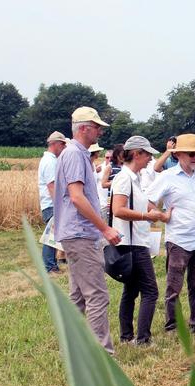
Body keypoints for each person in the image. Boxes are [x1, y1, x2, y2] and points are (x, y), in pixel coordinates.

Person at [54, 106, 119, 354]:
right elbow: (77, 198)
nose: (100, 131)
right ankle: (102, 357)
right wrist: (105, 229)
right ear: (83, 128)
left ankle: (70, 351)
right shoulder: (73, 154)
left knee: (79, 297)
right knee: (97, 296)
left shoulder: (77, 153)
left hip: (78, 233)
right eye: (97, 127)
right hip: (80, 233)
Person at [146, 134, 195, 334]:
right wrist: (161, 216)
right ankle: (173, 326)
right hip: (178, 240)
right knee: (173, 287)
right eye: (191, 154)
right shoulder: (167, 177)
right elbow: (150, 201)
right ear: (178, 156)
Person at [110, 136, 170, 345]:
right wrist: (147, 217)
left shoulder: (134, 178)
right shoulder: (125, 178)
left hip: (135, 240)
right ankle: (142, 339)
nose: (150, 160)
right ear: (136, 154)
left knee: (131, 290)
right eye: (148, 155)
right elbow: (118, 210)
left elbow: (139, 205)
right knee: (151, 291)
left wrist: (160, 215)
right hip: (132, 243)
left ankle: (127, 336)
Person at [38, 131, 68, 274]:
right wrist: (59, 206)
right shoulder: (50, 162)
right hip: (52, 205)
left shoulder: (49, 160)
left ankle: (52, 265)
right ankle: (49, 267)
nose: (63, 148)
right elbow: (52, 186)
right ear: (55, 144)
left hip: (50, 204)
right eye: (62, 144)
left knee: (54, 236)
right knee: (51, 237)